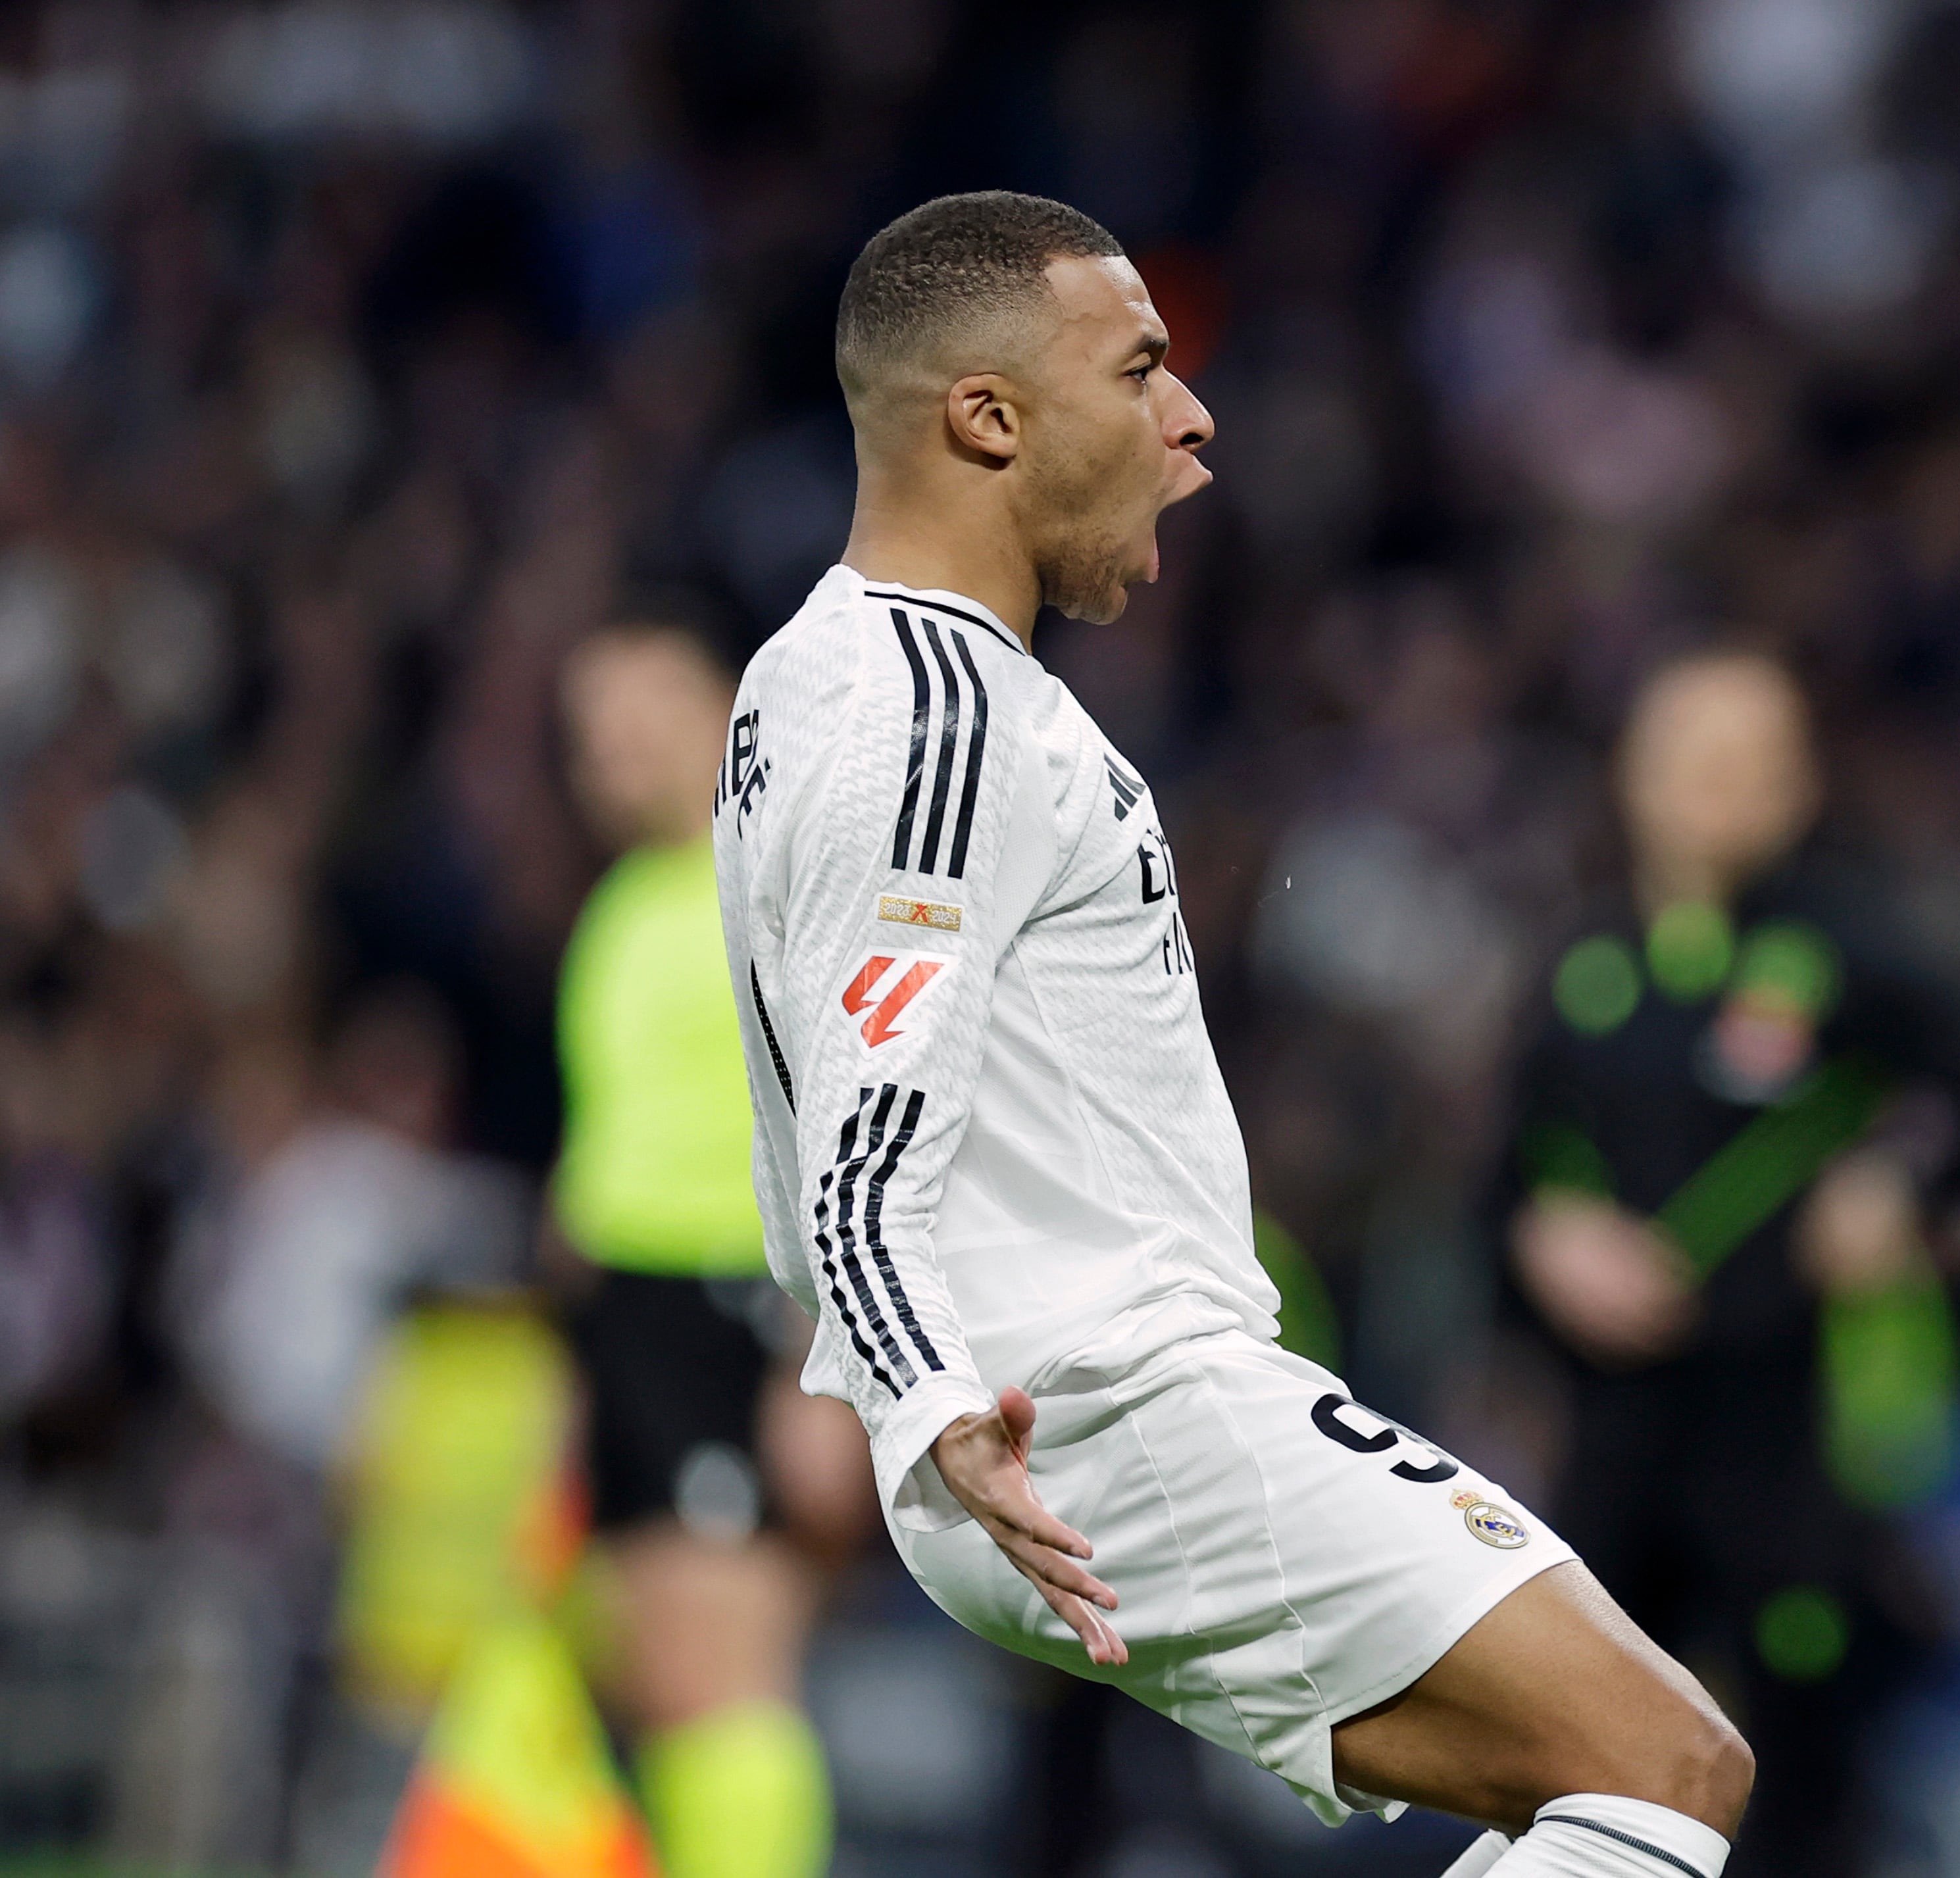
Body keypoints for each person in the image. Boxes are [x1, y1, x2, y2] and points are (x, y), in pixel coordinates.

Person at [711, 191, 1750, 1878]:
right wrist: (926, 1403)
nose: (1190, 420)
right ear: (985, 415)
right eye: (1136, 371)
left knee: (1584, 1779)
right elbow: (861, 1130)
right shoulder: (939, 708)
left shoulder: (817, 678)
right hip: (1095, 1405)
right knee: (1667, 1763)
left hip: (1059, 1411)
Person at [1494, 651, 1960, 1874]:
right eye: (1696, 756)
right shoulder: (1583, 969)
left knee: (1807, 1771)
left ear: (1801, 783)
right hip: (1621, 1436)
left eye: (1755, 759)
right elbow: (1506, 1181)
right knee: (1596, 1765)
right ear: (1634, 777)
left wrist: (1900, 1183)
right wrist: (1547, 1242)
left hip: (1796, 1442)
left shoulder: (1852, 951)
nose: (1724, 785)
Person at [555, 624, 876, 1878]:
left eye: (640, 714)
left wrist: (822, 1361)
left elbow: (846, 1122)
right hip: (630, 1317)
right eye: (586, 730)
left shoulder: (777, 881)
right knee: (648, 1662)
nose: (607, 751)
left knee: (726, 1666)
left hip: (733, 1308)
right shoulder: (626, 903)